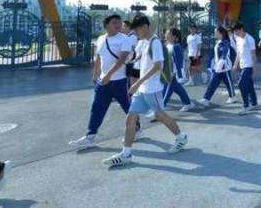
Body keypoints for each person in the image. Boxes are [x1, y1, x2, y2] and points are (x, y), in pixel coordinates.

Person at [103, 15, 187, 167]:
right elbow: (138, 58)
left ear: (145, 27)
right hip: (142, 89)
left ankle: (181, 137)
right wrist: (131, 59)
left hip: (152, 88)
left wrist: (137, 83)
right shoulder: (144, 42)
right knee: (130, 118)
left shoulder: (155, 43)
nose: (136, 33)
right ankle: (126, 154)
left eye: (137, 30)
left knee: (160, 115)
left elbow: (157, 66)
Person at [70, 14, 138, 150]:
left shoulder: (124, 39)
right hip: (103, 82)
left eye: (119, 23)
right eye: (114, 23)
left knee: (128, 108)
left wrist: (108, 75)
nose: (118, 25)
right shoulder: (101, 39)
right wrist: (95, 75)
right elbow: (98, 58)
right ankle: (90, 137)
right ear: (106, 25)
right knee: (97, 108)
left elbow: (122, 60)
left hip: (119, 81)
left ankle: (137, 129)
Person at [198, 27, 238, 107]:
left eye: (216, 32)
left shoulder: (225, 42)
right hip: (217, 68)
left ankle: (232, 97)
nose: (214, 34)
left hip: (224, 68)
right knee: (213, 83)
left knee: (228, 82)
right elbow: (213, 55)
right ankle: (206, 99)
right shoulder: (218, 42)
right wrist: (210, 65)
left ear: (221, 33)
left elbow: (224, 54)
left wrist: (220, 65)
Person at [162, 28, 198, 111]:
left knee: (166, 90)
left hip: (172, 73)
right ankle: (188, 103)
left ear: (174, 36)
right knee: (177, 88)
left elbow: (179, 61)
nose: (166, 35)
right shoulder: (166, 45)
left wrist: (179, 74)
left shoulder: (176, 46)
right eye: (166, 33)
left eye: (168, 33)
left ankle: (159, 109)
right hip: (166, 72)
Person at [232, 23, 259, 115]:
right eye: (234, 32)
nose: (236, 33)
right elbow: (238, 53)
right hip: (242, 66)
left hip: (249, 66)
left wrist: (254, 68)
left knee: (241, 84)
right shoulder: (238, 39)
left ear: (242, 29)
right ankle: (254, 103)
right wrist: (235, 64)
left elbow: (253, 55)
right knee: (249, 85)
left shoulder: (249, 39)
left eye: (237, 31)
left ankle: (246, 105)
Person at [123, 20, 140, 86]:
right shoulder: (128, 36)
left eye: (124, 26)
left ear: (128, 27)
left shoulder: (132, 37)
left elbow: (132, 51)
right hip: (130, 62)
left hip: (131, 62)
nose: (122, 28)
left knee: (130, 82)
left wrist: (128, 61)